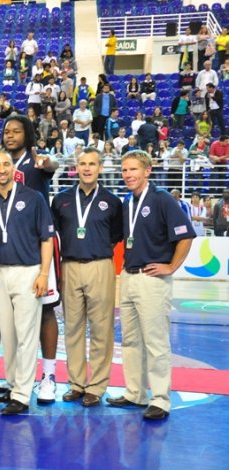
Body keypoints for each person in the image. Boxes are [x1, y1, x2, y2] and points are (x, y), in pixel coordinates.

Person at [107, 150, 195, 421]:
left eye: (133, 169)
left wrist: (171, 266)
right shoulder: (127, 201)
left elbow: (185, 235)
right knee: (131, 341)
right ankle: (135, 393)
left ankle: (160, 399)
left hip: (152, 279)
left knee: (155, 342)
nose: (128, 174)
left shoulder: (162, 199)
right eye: (124, 170)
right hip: (129, 276)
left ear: (147, 171)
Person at [0, 151, 55, 414]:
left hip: (28, 271)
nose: (1, 169)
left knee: (26, 335)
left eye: (6, 165)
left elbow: (46, 238)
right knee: (8, 335)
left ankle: (22, 394)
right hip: (0, 273)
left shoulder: (33, 197)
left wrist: (43, 274)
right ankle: (12, 385)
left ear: (13, 169)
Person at [51, 147, 123, 407]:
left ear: (100, 168)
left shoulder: (113, 202)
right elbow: (56, 234)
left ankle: (97, 386)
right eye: (83, 164)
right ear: (76, 167)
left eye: (92, 164)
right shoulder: (61, 200)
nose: (87, 168)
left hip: (99, 265)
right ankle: (76, 383)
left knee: (102, 328)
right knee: (72, 328)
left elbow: (115, 236)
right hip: (70, 266)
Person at [0, 115, 61, 404]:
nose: (10, 135)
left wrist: (48, 163)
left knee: (45, 310)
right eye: (6, 131)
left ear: (28, 134)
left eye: (16, 131)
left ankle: (48, 376)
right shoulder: (1, 165)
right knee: (13, 319)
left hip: (38, 245)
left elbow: (51, 165)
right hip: (10, 248)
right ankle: (14, 379)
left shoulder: (35, 161)